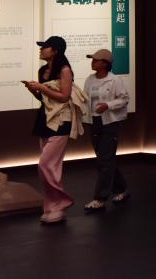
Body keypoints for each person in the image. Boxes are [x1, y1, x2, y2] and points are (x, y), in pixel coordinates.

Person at [24, 36, 87, 224]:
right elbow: (45, 99)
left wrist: (41, 88)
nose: (41, 49)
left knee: (46, 165)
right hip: (44, 119)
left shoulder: (65, 70)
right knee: (51, 167)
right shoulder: (43, 70)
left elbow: (64, 97)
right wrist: (34, 90)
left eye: (45, 47)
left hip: (60, 121)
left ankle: (62, 202)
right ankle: (52, 209)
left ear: (55, 51)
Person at [81, 49, 130, 213]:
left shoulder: (115, 80)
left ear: (105, 63)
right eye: (92, 60)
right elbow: (85, 98)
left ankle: (100, 198)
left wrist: (107, 105)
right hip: (94, 121)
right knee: (105, 159)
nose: (93, 62)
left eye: (96, 60)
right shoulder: (90, 79)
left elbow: (124, 99)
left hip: (110, 122)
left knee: (105, 160)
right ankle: (121, 189)